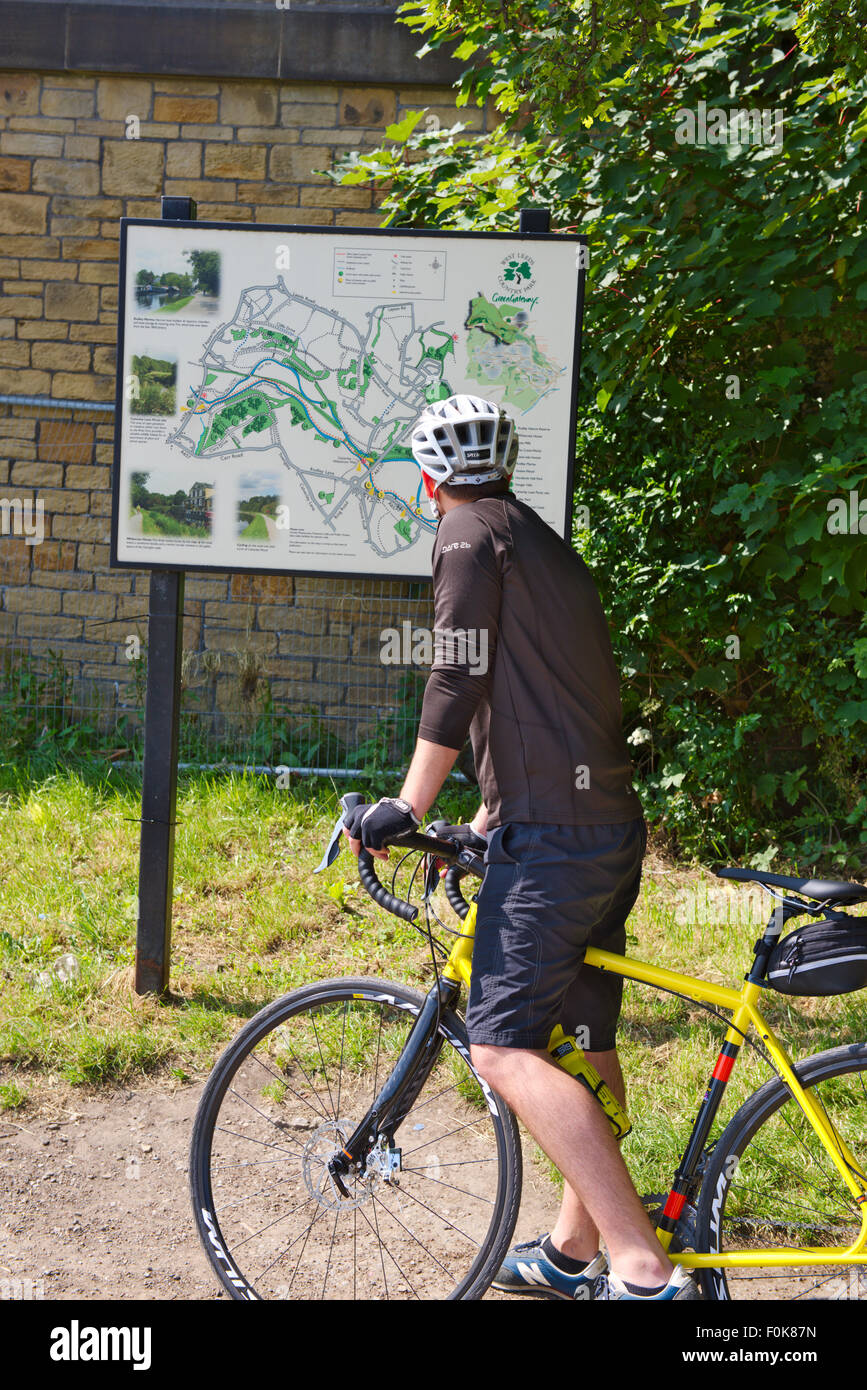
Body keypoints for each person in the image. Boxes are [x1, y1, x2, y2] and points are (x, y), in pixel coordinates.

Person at [343, 394, 699, 1301]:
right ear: (502, 465)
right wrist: (491, 818)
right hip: (596, 827)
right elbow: (554, 696)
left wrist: (404, 804)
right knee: (583, 1037)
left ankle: (641, 1264)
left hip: (557, 840)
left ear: (428, 481)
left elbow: (458, 665)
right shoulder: (538, 537)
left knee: (503, 1049)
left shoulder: (465, 536)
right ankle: (570, 1253)